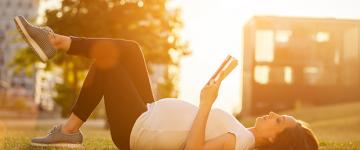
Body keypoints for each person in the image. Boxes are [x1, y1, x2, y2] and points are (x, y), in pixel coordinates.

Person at [14, 16, 319, 150]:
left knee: (109, 63)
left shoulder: (241, 141)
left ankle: (68, 130)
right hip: (149, 113)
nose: (272, 115)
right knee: (131, 50)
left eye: (278, 121)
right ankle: (56, 41)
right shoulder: (241, 134)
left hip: (139, 129)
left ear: (275, 142)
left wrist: (206, 103)